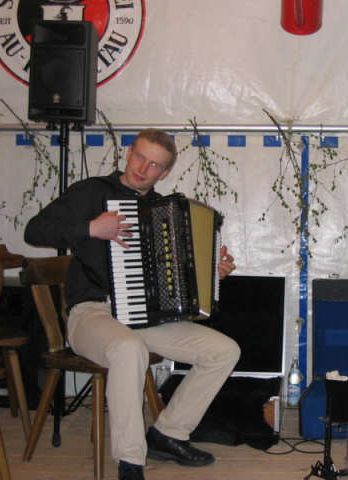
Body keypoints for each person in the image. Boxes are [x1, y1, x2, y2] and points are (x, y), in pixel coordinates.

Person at [24, 129, 241, 480]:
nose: (142, 168)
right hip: (91, 312)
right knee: (129, 348)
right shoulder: (92, 192)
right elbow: (34, 230)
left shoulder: (164, 212)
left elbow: (176, 284)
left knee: (224, 351)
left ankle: (168, 434)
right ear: (129, 152)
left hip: (145, 318)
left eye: (154, 165)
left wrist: (211, 275)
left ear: (165, 173)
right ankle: (130, 462)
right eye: (140, 157)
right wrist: (91, 228)